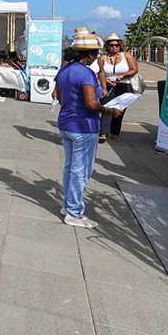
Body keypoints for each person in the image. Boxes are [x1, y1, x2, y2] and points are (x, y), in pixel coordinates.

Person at [56, 30, 121, 228]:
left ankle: (68, 205)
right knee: (81, 170)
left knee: (70, 167)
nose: (97, 57)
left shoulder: (64, 70)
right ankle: (74, 212)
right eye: (96, 54)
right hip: (84, 127)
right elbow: (92, 104)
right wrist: (110, 110)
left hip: (66, 124)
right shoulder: (85, 73)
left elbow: (60, 98)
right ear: (90, 54)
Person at [98, 34, 139, 142]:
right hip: (108, 85)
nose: (114, 47)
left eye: (117, 45)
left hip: (124, 85)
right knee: (106, 107)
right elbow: (99, 73)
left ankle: (115, 133)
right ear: (107, 46)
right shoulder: (103, 58)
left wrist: (122, 76)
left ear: (120, 45)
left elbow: (134, 69)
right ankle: (103, 133)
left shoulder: (127, 56)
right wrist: (106, 82)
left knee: (120, 110)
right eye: (111, 45)